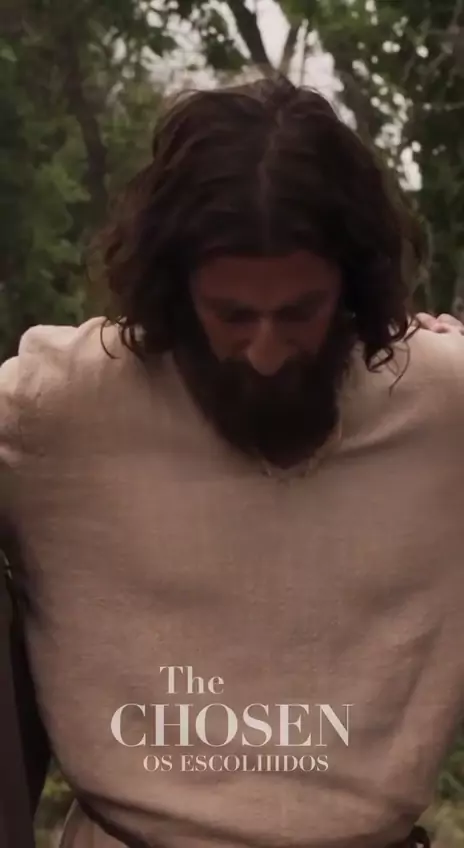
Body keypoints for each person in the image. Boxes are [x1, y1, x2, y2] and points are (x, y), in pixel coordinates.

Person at [1, 75, 464, 848]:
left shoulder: (443, 404)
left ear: (352, 286)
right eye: (232, 314)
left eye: (301, 311)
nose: (267, 351)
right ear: (176, 290)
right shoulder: (64, 404)